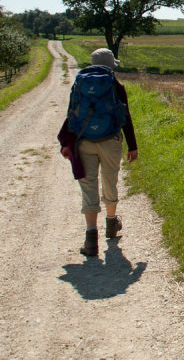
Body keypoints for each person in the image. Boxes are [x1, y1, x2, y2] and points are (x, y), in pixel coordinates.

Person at [57, 48, 139, 257]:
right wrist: (133, 145)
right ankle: (111, 224)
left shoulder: (80, 84)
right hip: (111, 140)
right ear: (111, 65)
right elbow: (125, 116)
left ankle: (91, 239)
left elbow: (72, 114)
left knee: (89, 186)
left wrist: (67, 141)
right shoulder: (115, 85)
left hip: (84, 142)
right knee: (110, 181)